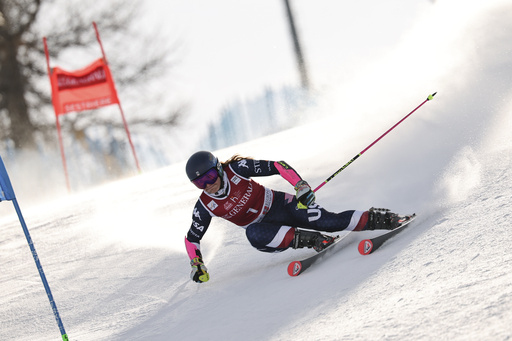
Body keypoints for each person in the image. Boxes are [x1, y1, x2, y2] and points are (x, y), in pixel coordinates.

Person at [184, 151, 401, 283]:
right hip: (267, 233)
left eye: (210, 176)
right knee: (253, 233)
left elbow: (278, 165)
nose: (208, 185)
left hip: (282, 205)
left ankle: (386, 219)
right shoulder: (205, 205)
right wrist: (197, 263)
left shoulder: (236, 169)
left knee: (327, 221)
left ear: (218, 169)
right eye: (200, 183)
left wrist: (300, 185)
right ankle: (315, 240)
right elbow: (191, 238)